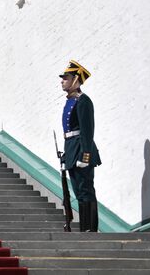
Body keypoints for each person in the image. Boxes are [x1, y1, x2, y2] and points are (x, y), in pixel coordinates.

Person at [59, 60, 102, 232]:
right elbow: (69, 132)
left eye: (66, 78)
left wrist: (86, 156)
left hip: (82, 150)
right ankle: (85, 228)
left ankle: (89, 229)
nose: (62, 81)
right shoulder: (69, 101)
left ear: (75, 80)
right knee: (78, 191)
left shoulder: (83, 101)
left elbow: (87, 130)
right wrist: (65, 156)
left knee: (85, 190)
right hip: (71, 149)